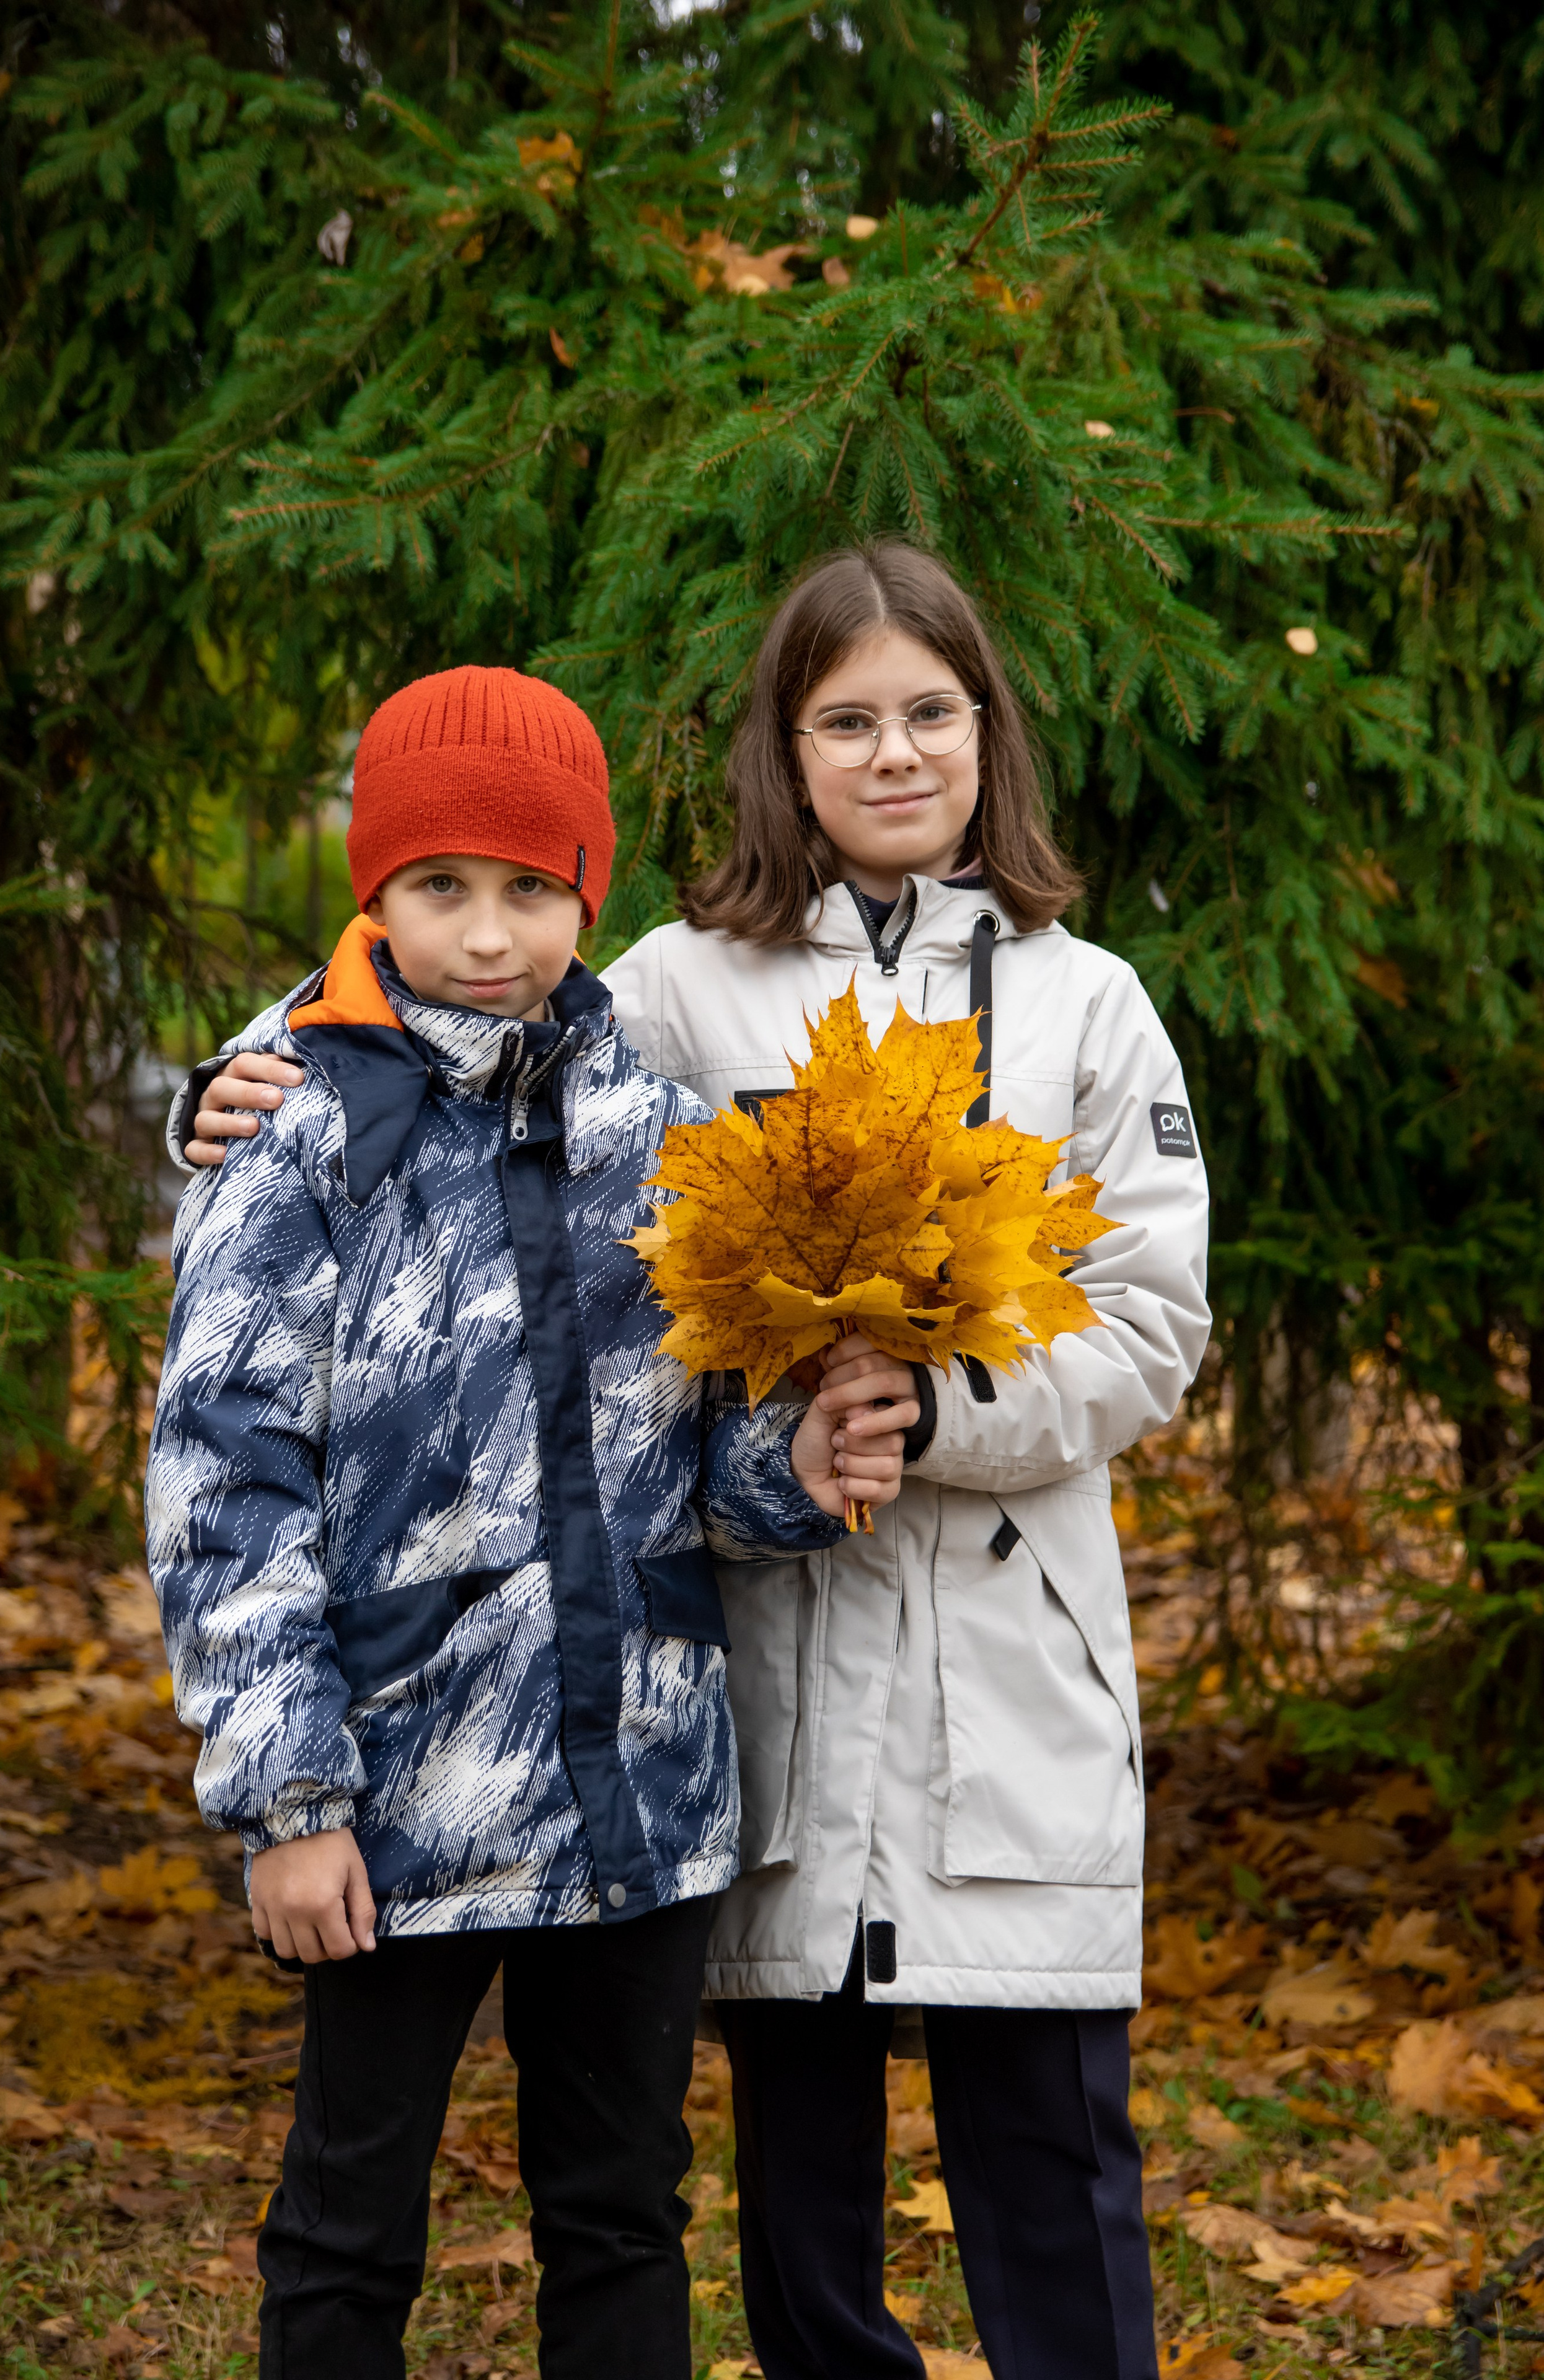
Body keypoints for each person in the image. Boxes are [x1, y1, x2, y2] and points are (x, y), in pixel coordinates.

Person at [180, 545, 1212, 2380]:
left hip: (937, 1677)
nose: (892, 754)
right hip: (685, 1697)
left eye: (930, 713)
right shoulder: (679, 996)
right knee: (761, 2187)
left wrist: (896, 1422)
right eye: (845, 720)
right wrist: (240, 1071)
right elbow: (434, 1018)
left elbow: (1141, 1320)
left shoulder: (1085, 1004)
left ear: (990, 732)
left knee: (1025, 2169)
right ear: (783, 751)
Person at [146, 661, 915, 2380]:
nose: (487, 934)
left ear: (588, 890)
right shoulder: (295, 1124)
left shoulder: (656, 1122)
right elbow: (226, 1481)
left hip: (630, 1778)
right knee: (351, 2223)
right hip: (391, 1790)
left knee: (624, 2206)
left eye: (530, 888)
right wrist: (287, 1799)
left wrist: (790, 1477)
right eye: (440, 889)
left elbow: (693, 1452)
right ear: (376, 890)